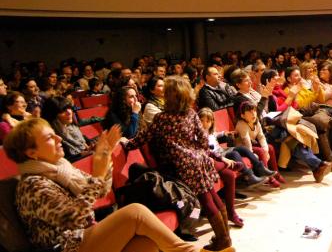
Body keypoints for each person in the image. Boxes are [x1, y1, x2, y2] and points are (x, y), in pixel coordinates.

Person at [4, 118, 201, 252]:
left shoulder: (61, 169)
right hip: (66, 247)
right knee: (135, 212)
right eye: (50, 137)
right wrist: (97, 175)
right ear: (31, 153)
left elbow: (99, 191)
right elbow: (73, 218)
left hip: (83, 238)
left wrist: (104, 160)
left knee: (146, 243)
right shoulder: (32, 184)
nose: (59, 138)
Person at [125, 76, 235, 252]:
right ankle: (225, 237)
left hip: (183, 165)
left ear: (171, 96)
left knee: (207, 201)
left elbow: (143, 138)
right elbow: (203, 140)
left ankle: (223, 241)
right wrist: (197, 152)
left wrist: (125, 144)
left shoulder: (162, 118)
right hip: (200, 160)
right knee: (213, 196)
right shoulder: (191, 113)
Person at [43, 96, 93, 161]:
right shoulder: (53, 137)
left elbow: (87, 143)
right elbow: (61, 161)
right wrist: (81, 155)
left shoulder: (73, 127)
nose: (69, 112)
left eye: (69, 108)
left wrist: (92, 147)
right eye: (62, 111)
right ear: (53, 115)